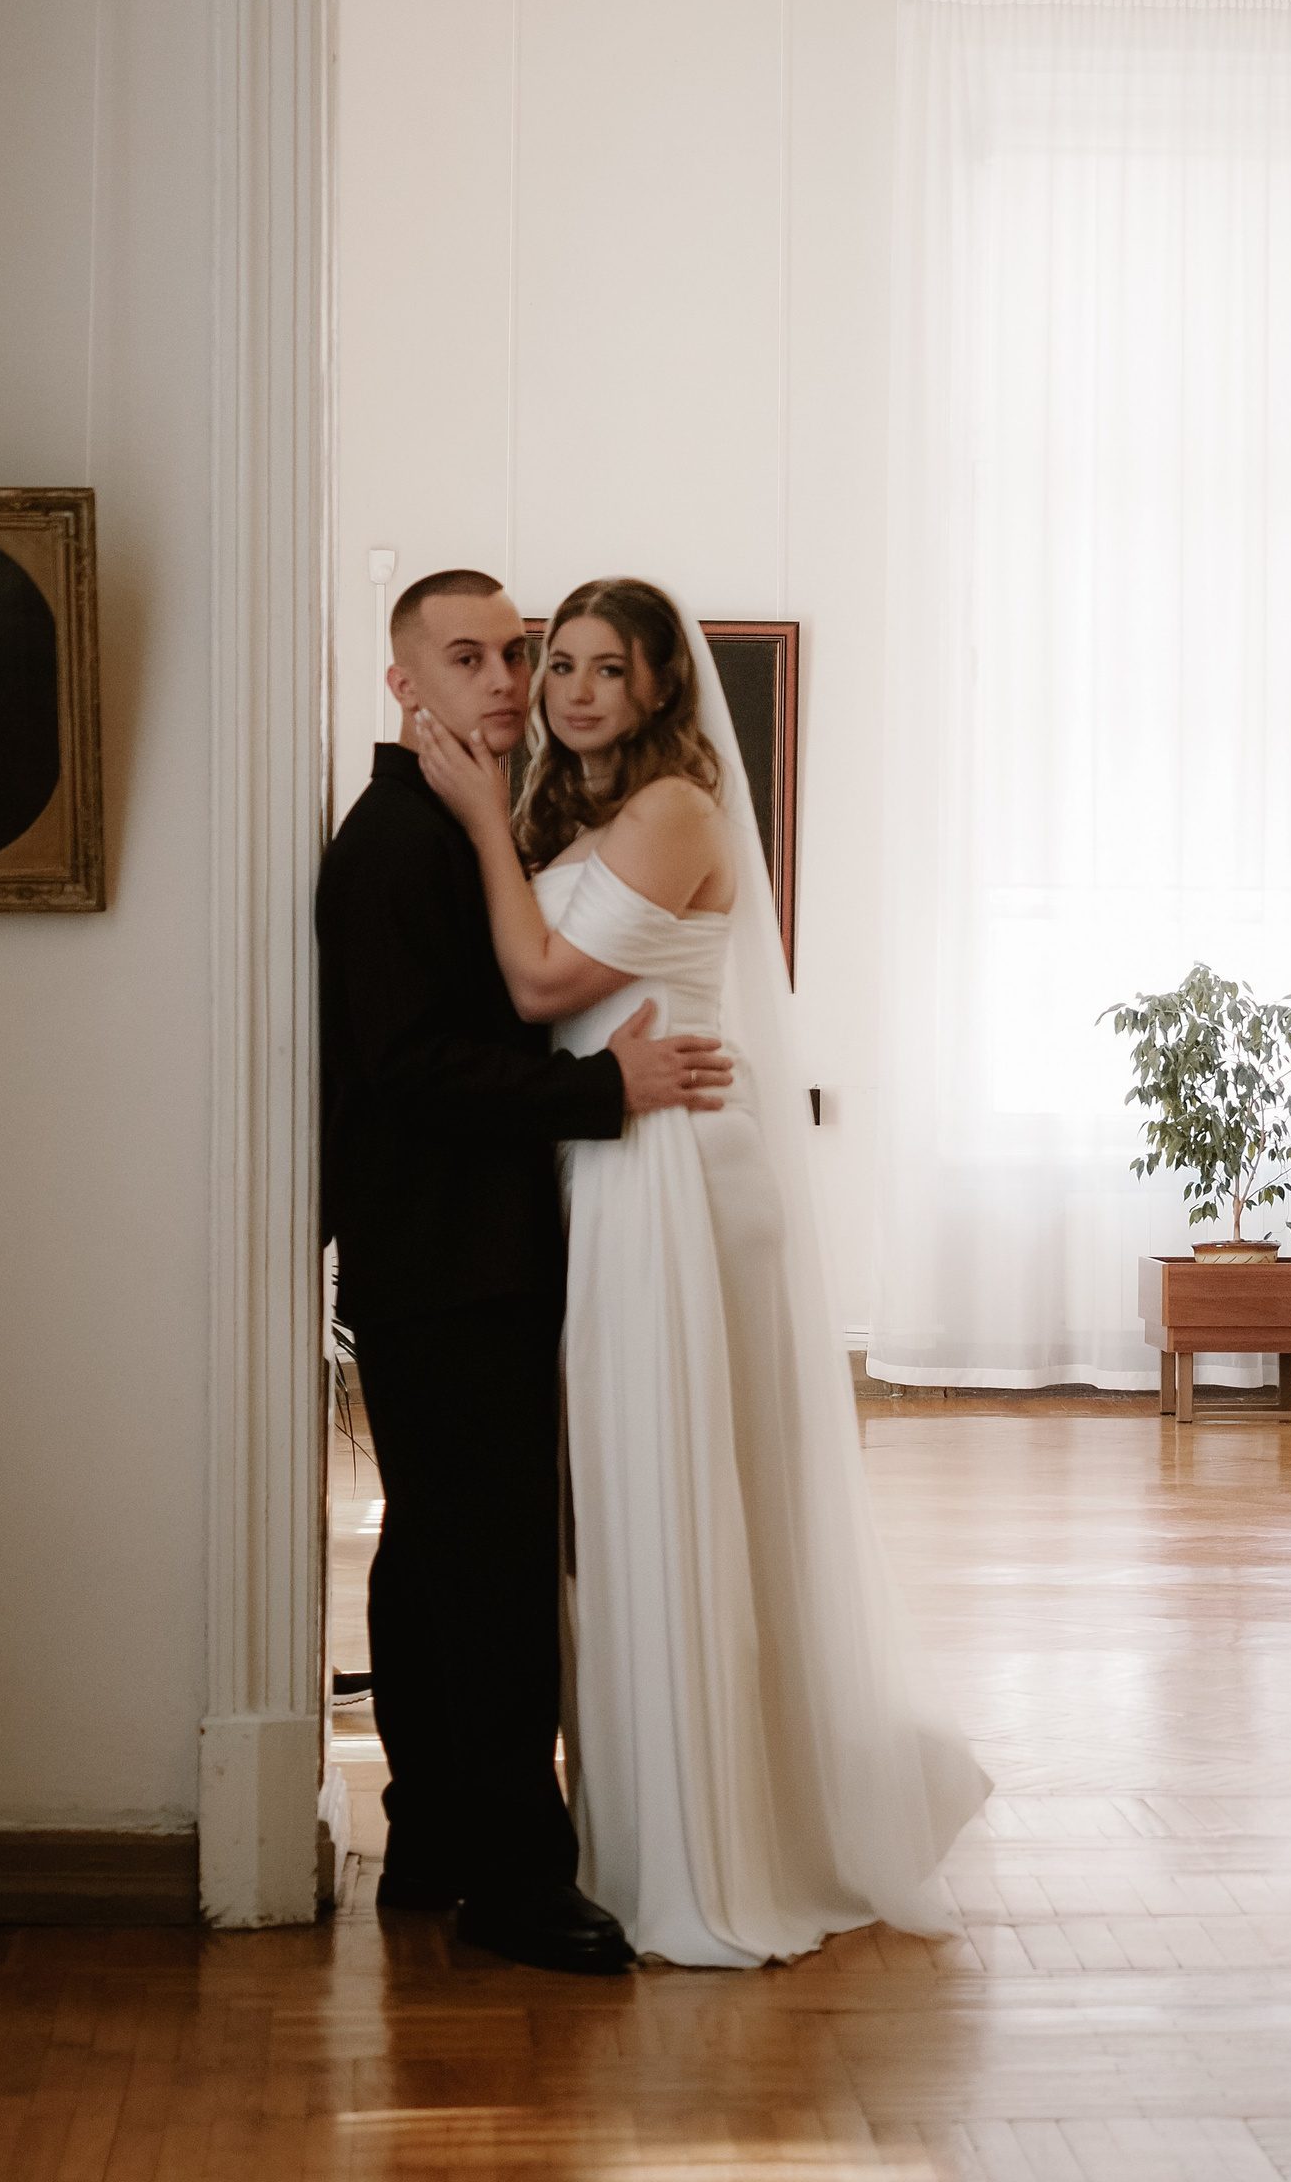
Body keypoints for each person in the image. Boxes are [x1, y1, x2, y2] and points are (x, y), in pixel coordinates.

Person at [416, 577, 988, 1967]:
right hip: (610, 1159)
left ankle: (712, 1846)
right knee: (623, 1500)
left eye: (607, 669)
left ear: (663, 685)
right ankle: (646, 1823)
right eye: (560, 665)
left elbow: (541, 984)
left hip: (670, 1174)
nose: (574, 692)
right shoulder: (584, 811)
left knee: (667, 1490)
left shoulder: (671, 809)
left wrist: (481, 817)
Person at [316, 568, 733, 1978]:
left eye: (518, 652)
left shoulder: (467, 821)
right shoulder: (397, 840)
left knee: (441, 1554)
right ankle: (515, 1878)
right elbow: (412, 1069)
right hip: (444, 1253)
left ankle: (434, 1836)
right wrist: (602, 1089)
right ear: (404, 683)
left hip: (467, 1247)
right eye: (468, 657)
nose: (507, 680)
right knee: (489, 1572)